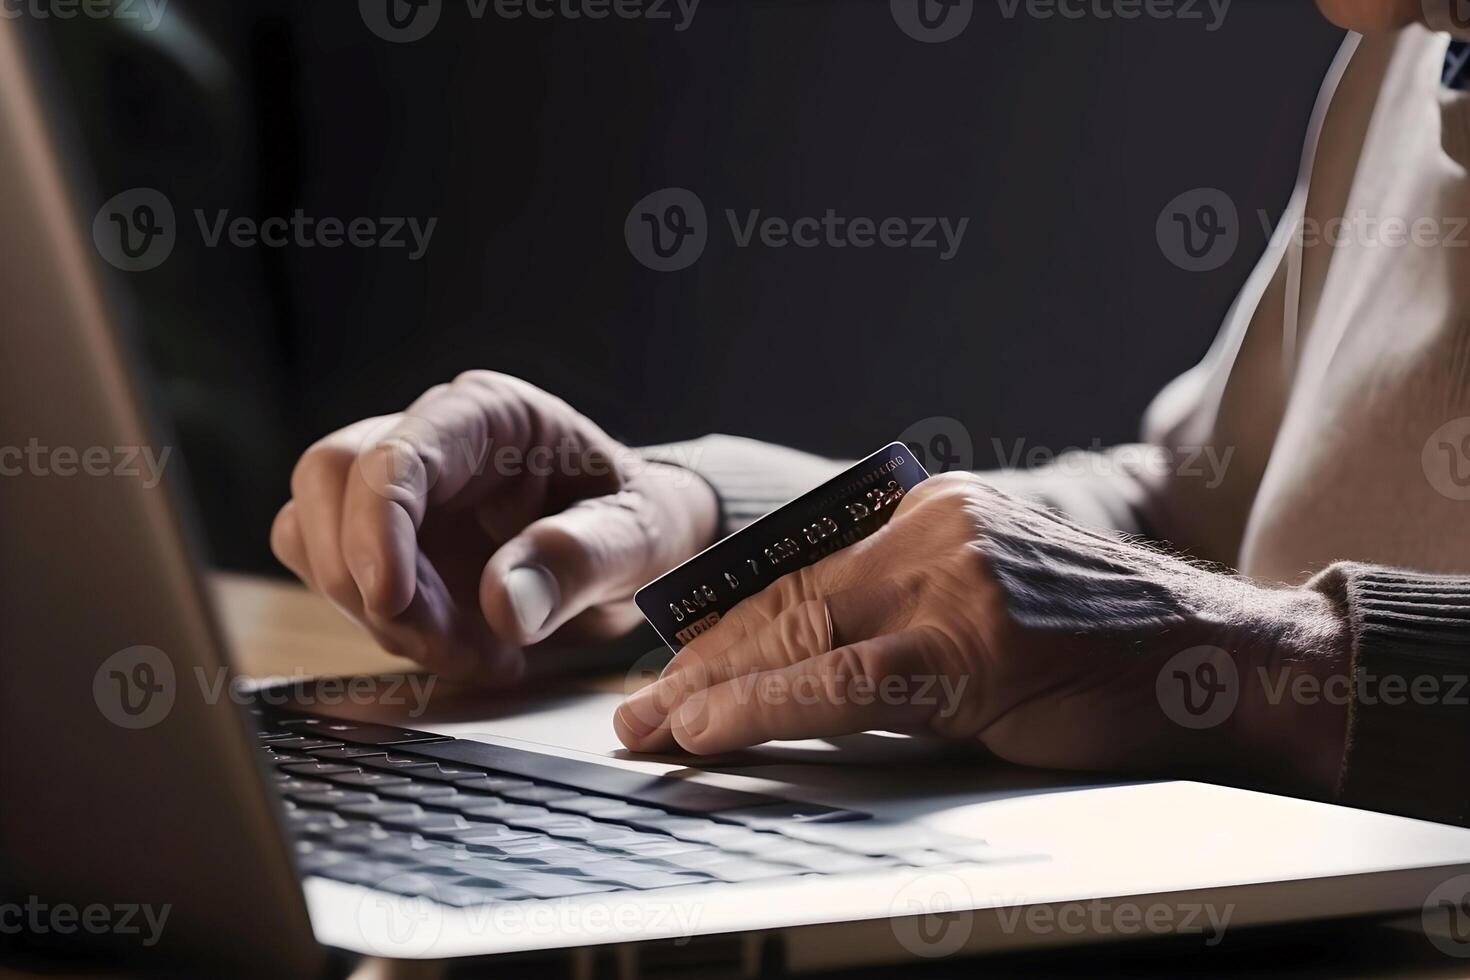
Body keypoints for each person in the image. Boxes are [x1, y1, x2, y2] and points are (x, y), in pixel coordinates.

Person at [270, 0, 1470, 827]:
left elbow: (1206, 614)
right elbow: (1196, 524)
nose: (1352, 14)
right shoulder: (1417, 49)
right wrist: (700, 541)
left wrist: (1286, 666)